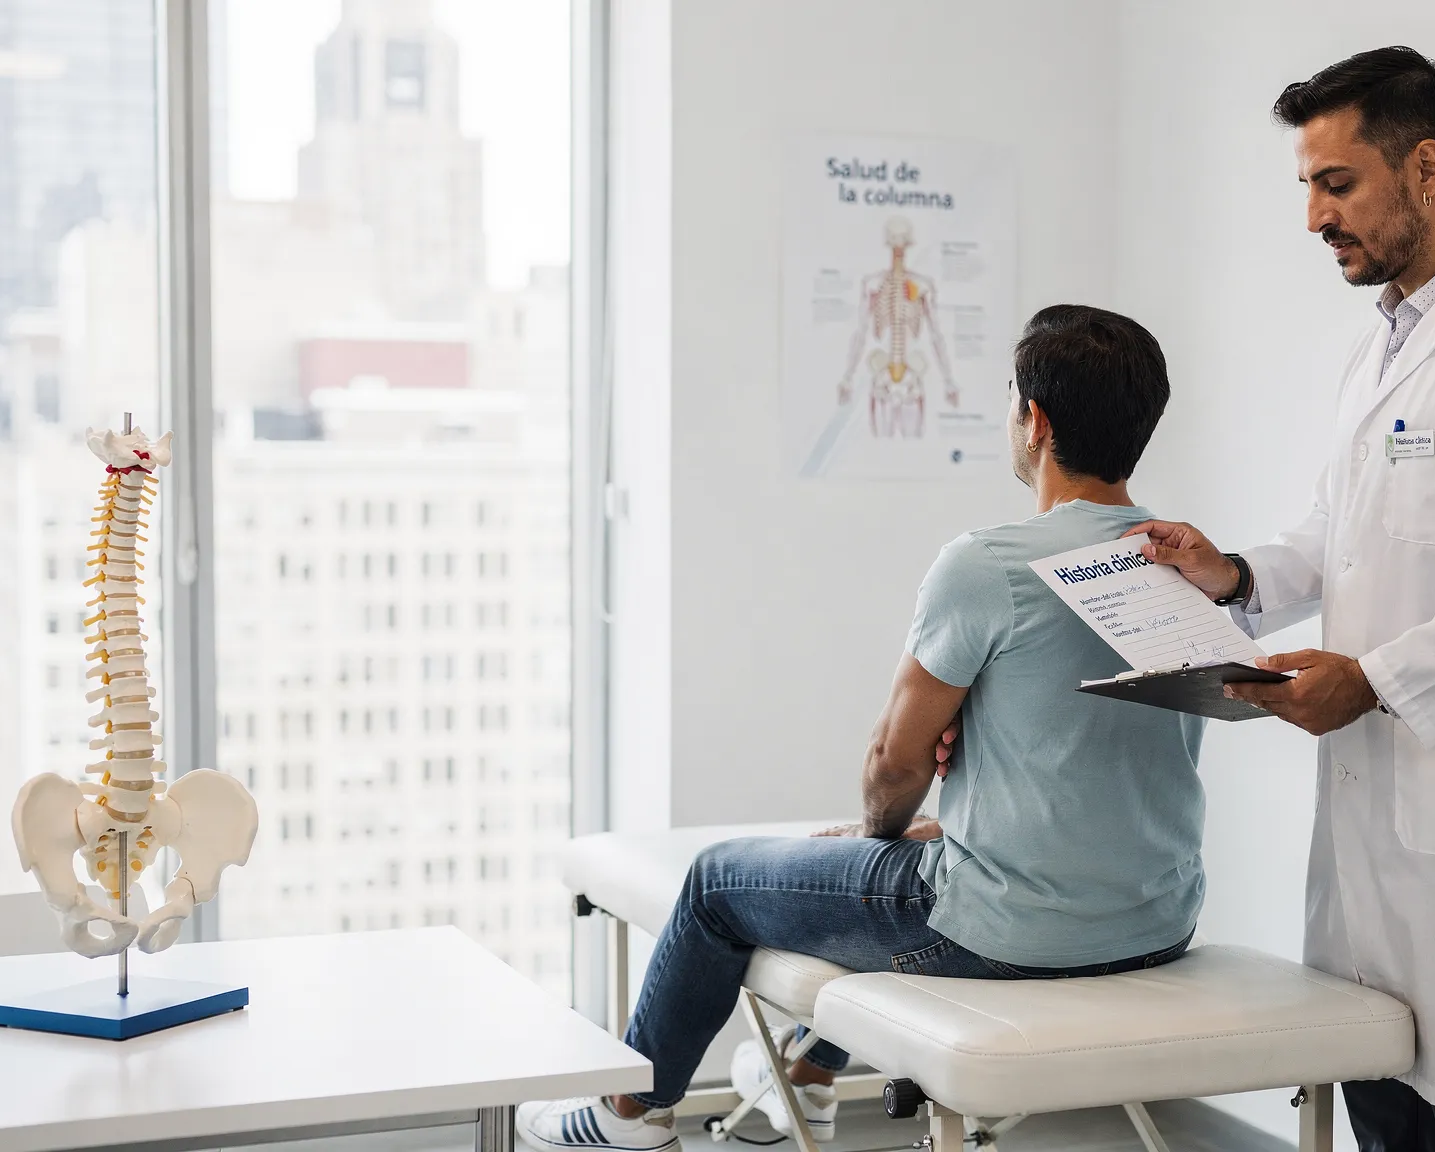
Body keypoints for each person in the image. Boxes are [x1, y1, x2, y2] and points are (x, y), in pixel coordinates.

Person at [516, 304, 1206, 1152]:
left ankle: (631, 1114)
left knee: (718, 882)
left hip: (1013, 936)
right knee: (877, 877)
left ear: (1035, 420)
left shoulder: (987, 564)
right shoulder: (1181, 563)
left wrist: (880, 835)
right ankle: (804, 1077)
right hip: (1154, 925)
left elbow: (892, 761)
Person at [1127, 47, 1435, 1152]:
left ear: (1426, 169)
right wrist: (1236, 576)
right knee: (1382, 1107)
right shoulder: (1380, 352)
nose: (1312, 216)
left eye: (1335, 183)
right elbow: (1340, 536)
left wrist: (1373, 680)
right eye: (1304, 187)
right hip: (1374, 828)